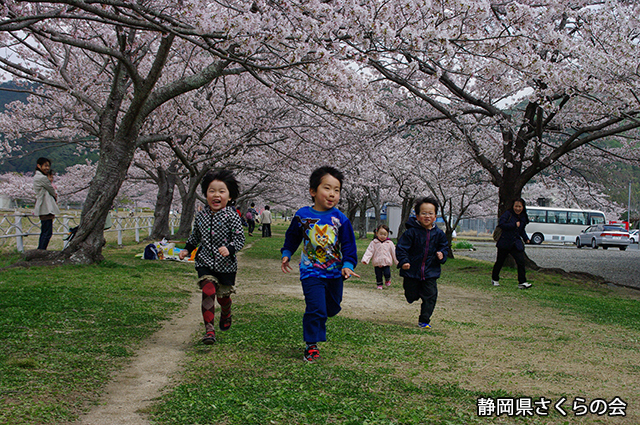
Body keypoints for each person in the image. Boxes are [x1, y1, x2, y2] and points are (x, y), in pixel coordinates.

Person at [281, 166, 360, 363]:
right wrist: (287, 253)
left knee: (331, 308)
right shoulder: (302, 215)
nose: (332, 194)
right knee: (315, 308)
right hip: (311, 272)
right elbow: (292, 236)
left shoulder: (341, 219)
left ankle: (324, 315)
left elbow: (349, 244)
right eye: (327, 188)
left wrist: (348, 264)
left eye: (337, 190)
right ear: (313, 191)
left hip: (335, 273)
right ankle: (311, 345)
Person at [179, 169, 246, 345]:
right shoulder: (201, 215)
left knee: (223, 296)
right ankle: (209, 330)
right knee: (208, 290)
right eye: (211, 190)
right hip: (205, 261)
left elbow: (240, 239)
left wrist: (229, 249)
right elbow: (195, 236)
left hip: (226, 265)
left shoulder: (232, 215)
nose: (216, 195)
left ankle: (226, 311)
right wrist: (187, 249)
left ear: (230, 196)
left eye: (221, 191)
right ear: (206, 194)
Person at [396, 197, 448, 329]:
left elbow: (444, 247)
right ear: (417, 216)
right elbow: (401, 248)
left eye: (430, 213)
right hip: (412, 271)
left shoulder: (439, 234)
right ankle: (413, 295)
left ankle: (424, 320)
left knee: (430, 296)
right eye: (424, 213)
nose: (427, 216)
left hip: (431, 271)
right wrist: (404, 261)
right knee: (411, 295)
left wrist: (442, 255)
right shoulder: (411, 233)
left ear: (435, 216)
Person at [491, 198, 532, 289]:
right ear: (513, 206)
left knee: (521, 262)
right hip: (505, 242)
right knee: (500, 262)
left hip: (515, 243)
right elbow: (501, 224)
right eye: (516, 206)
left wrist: (526, 239)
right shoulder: (508, 214)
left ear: (523, 207)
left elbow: (521, 230)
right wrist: (513, 225)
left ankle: (522, 282)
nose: (517, 208)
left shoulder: (523, 217)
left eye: (519, 206)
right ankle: (495, 279)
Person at [33, 157, 61, 250]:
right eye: (45, 165)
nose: (47, 168)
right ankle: (41, 250)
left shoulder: (38, 176)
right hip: (45, 207)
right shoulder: (42, 178)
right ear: (39, 166)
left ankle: (41, 249)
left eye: (48, 166)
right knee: (47, 231)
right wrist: (55, 195)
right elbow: (51, 189)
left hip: (44, 206)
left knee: (45, 230)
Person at [362, 224, 398, 290]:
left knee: (387, 273)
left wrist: (397, 262)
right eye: (381, 234)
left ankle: (387, 279)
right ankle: (379, 284)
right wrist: (365, 260)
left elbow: (394, 253)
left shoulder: (389, 243)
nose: (382, 236)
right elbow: (369, 251)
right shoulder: (374, 243)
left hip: (386, 262)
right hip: (377, 262)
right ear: (377, 233)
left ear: (387, 235)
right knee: (378, 275)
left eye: (385, 234)